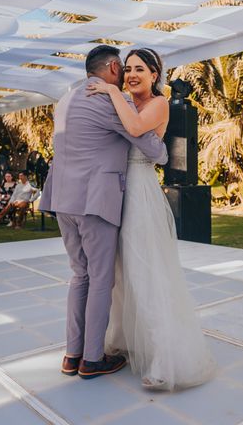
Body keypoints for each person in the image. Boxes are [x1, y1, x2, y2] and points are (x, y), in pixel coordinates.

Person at [87, 47, 215, 390]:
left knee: (146, 272)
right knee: (118, 271)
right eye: (127, 69)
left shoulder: (157, 104)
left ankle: (164, 357)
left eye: (139, 69)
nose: (131, 75)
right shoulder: (126, 101)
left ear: (154, 75)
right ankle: (124, 339)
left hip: (140, 192)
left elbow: (134, 128)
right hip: (116, 191)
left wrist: (112, 89)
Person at [39, 44, 168, 380]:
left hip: (62, 199)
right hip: (94, 200)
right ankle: (92, 359)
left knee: (79, 275)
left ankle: (72, 354)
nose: (127, 74)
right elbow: (150, 146)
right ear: (112, 67)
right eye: (124, 68)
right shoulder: (114, 99)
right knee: (101, 278)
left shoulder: (66, 99)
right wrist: (162, 148)